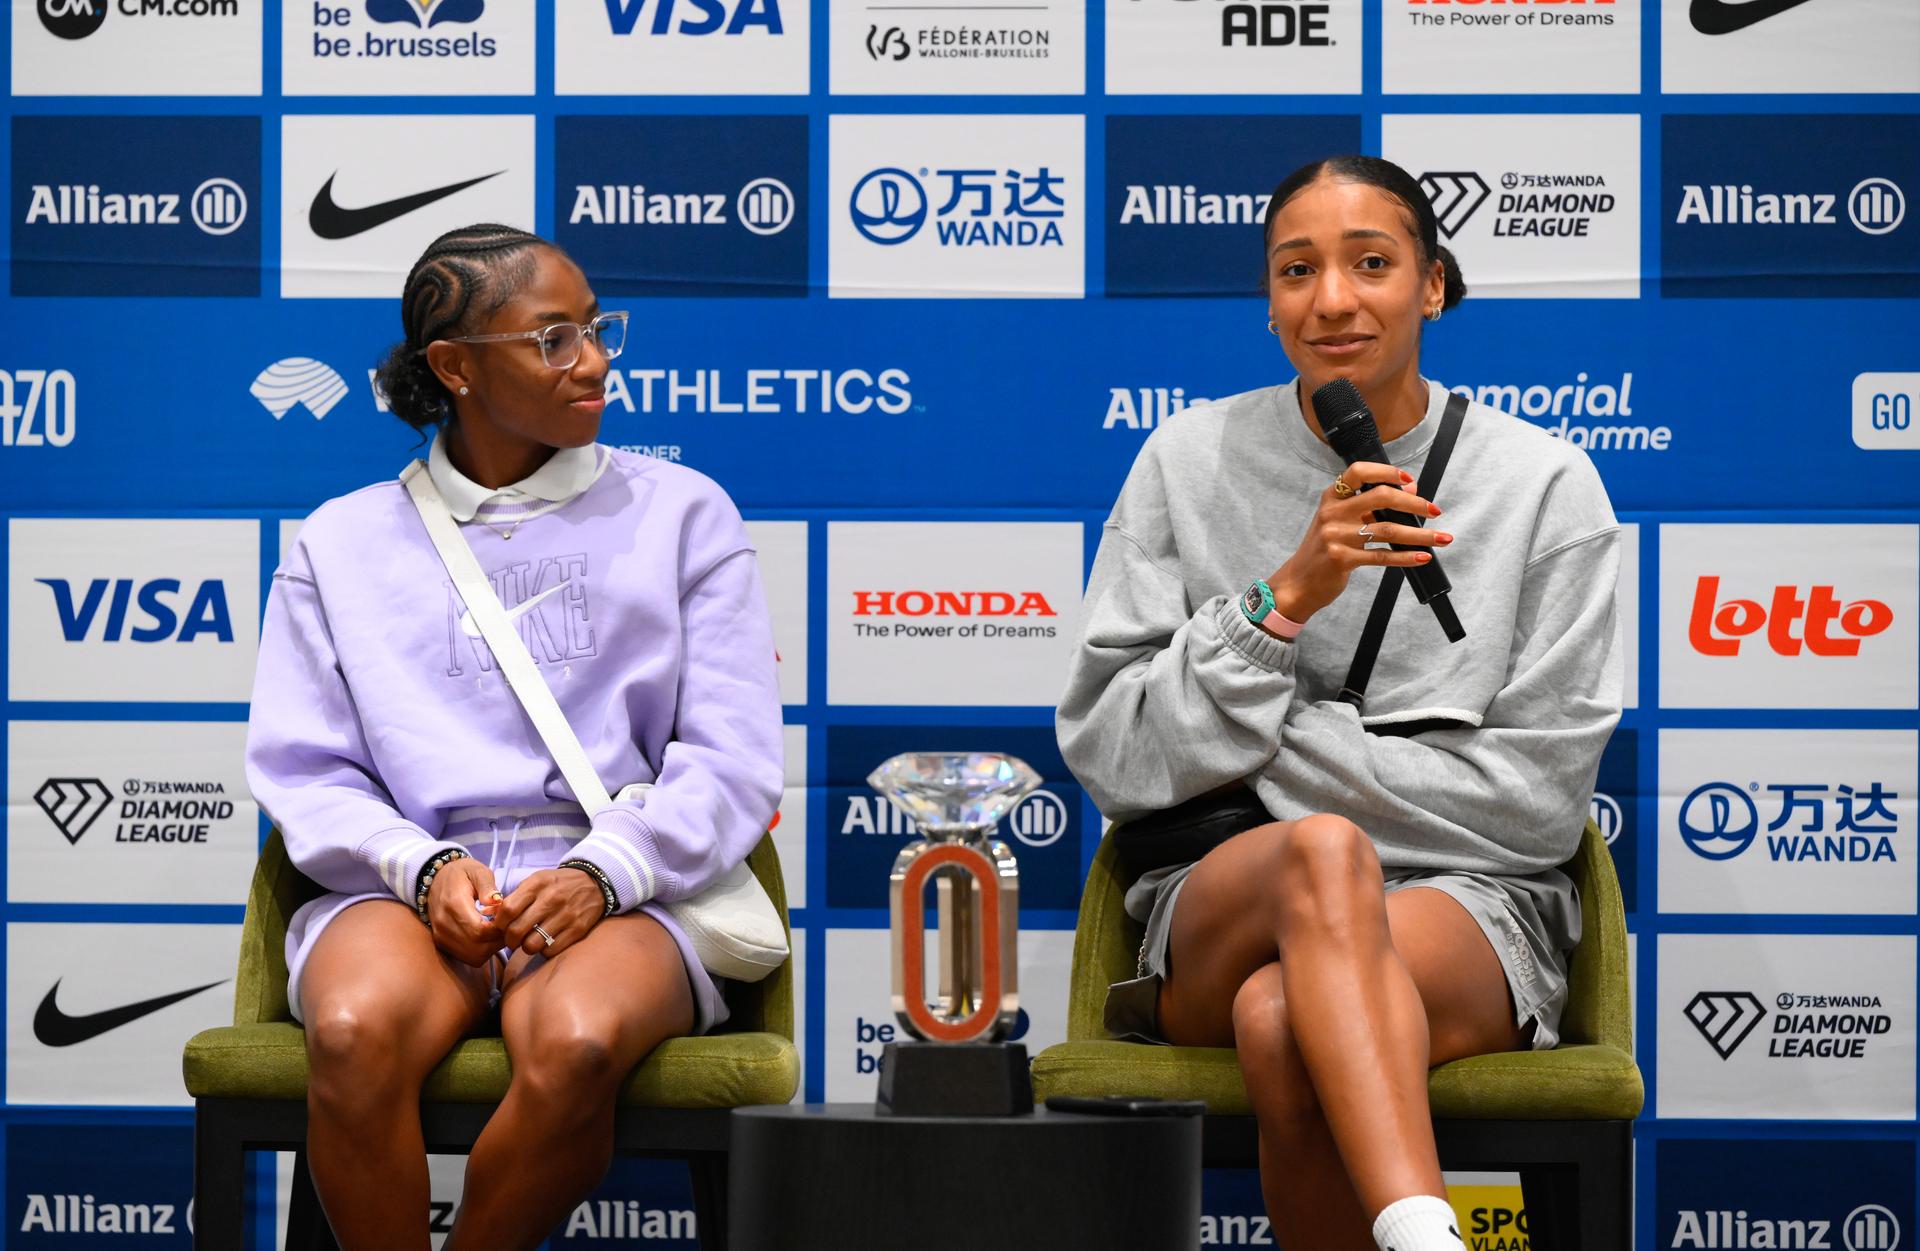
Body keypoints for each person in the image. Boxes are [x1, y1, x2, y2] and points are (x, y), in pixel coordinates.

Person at [1056, 156, 1622, 1251]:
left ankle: (1417, 1234)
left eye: (1370, 264)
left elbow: (1537, 806)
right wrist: (1285, 599)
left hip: (1468, 905)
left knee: (1281, 1018)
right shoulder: (1185, 461)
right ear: (1268, 302)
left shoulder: (1545, 486)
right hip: (1226, 901)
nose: (1331, 299)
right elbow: (1114, 750)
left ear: (1433, 285)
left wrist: (1267, 741)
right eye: (1296, 270)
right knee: (1320, 855)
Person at [244, 223, 783, 1250]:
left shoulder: (685, 514)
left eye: (597, 329)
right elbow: (305, 770)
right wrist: (422, 868)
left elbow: (732, 758)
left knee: (577, 1042)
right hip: (405, 890)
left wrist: (602, 873)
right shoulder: (341, 541)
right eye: (552, 339)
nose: (595, 360)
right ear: (455, 368)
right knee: (351, 1033)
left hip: (623, 887)